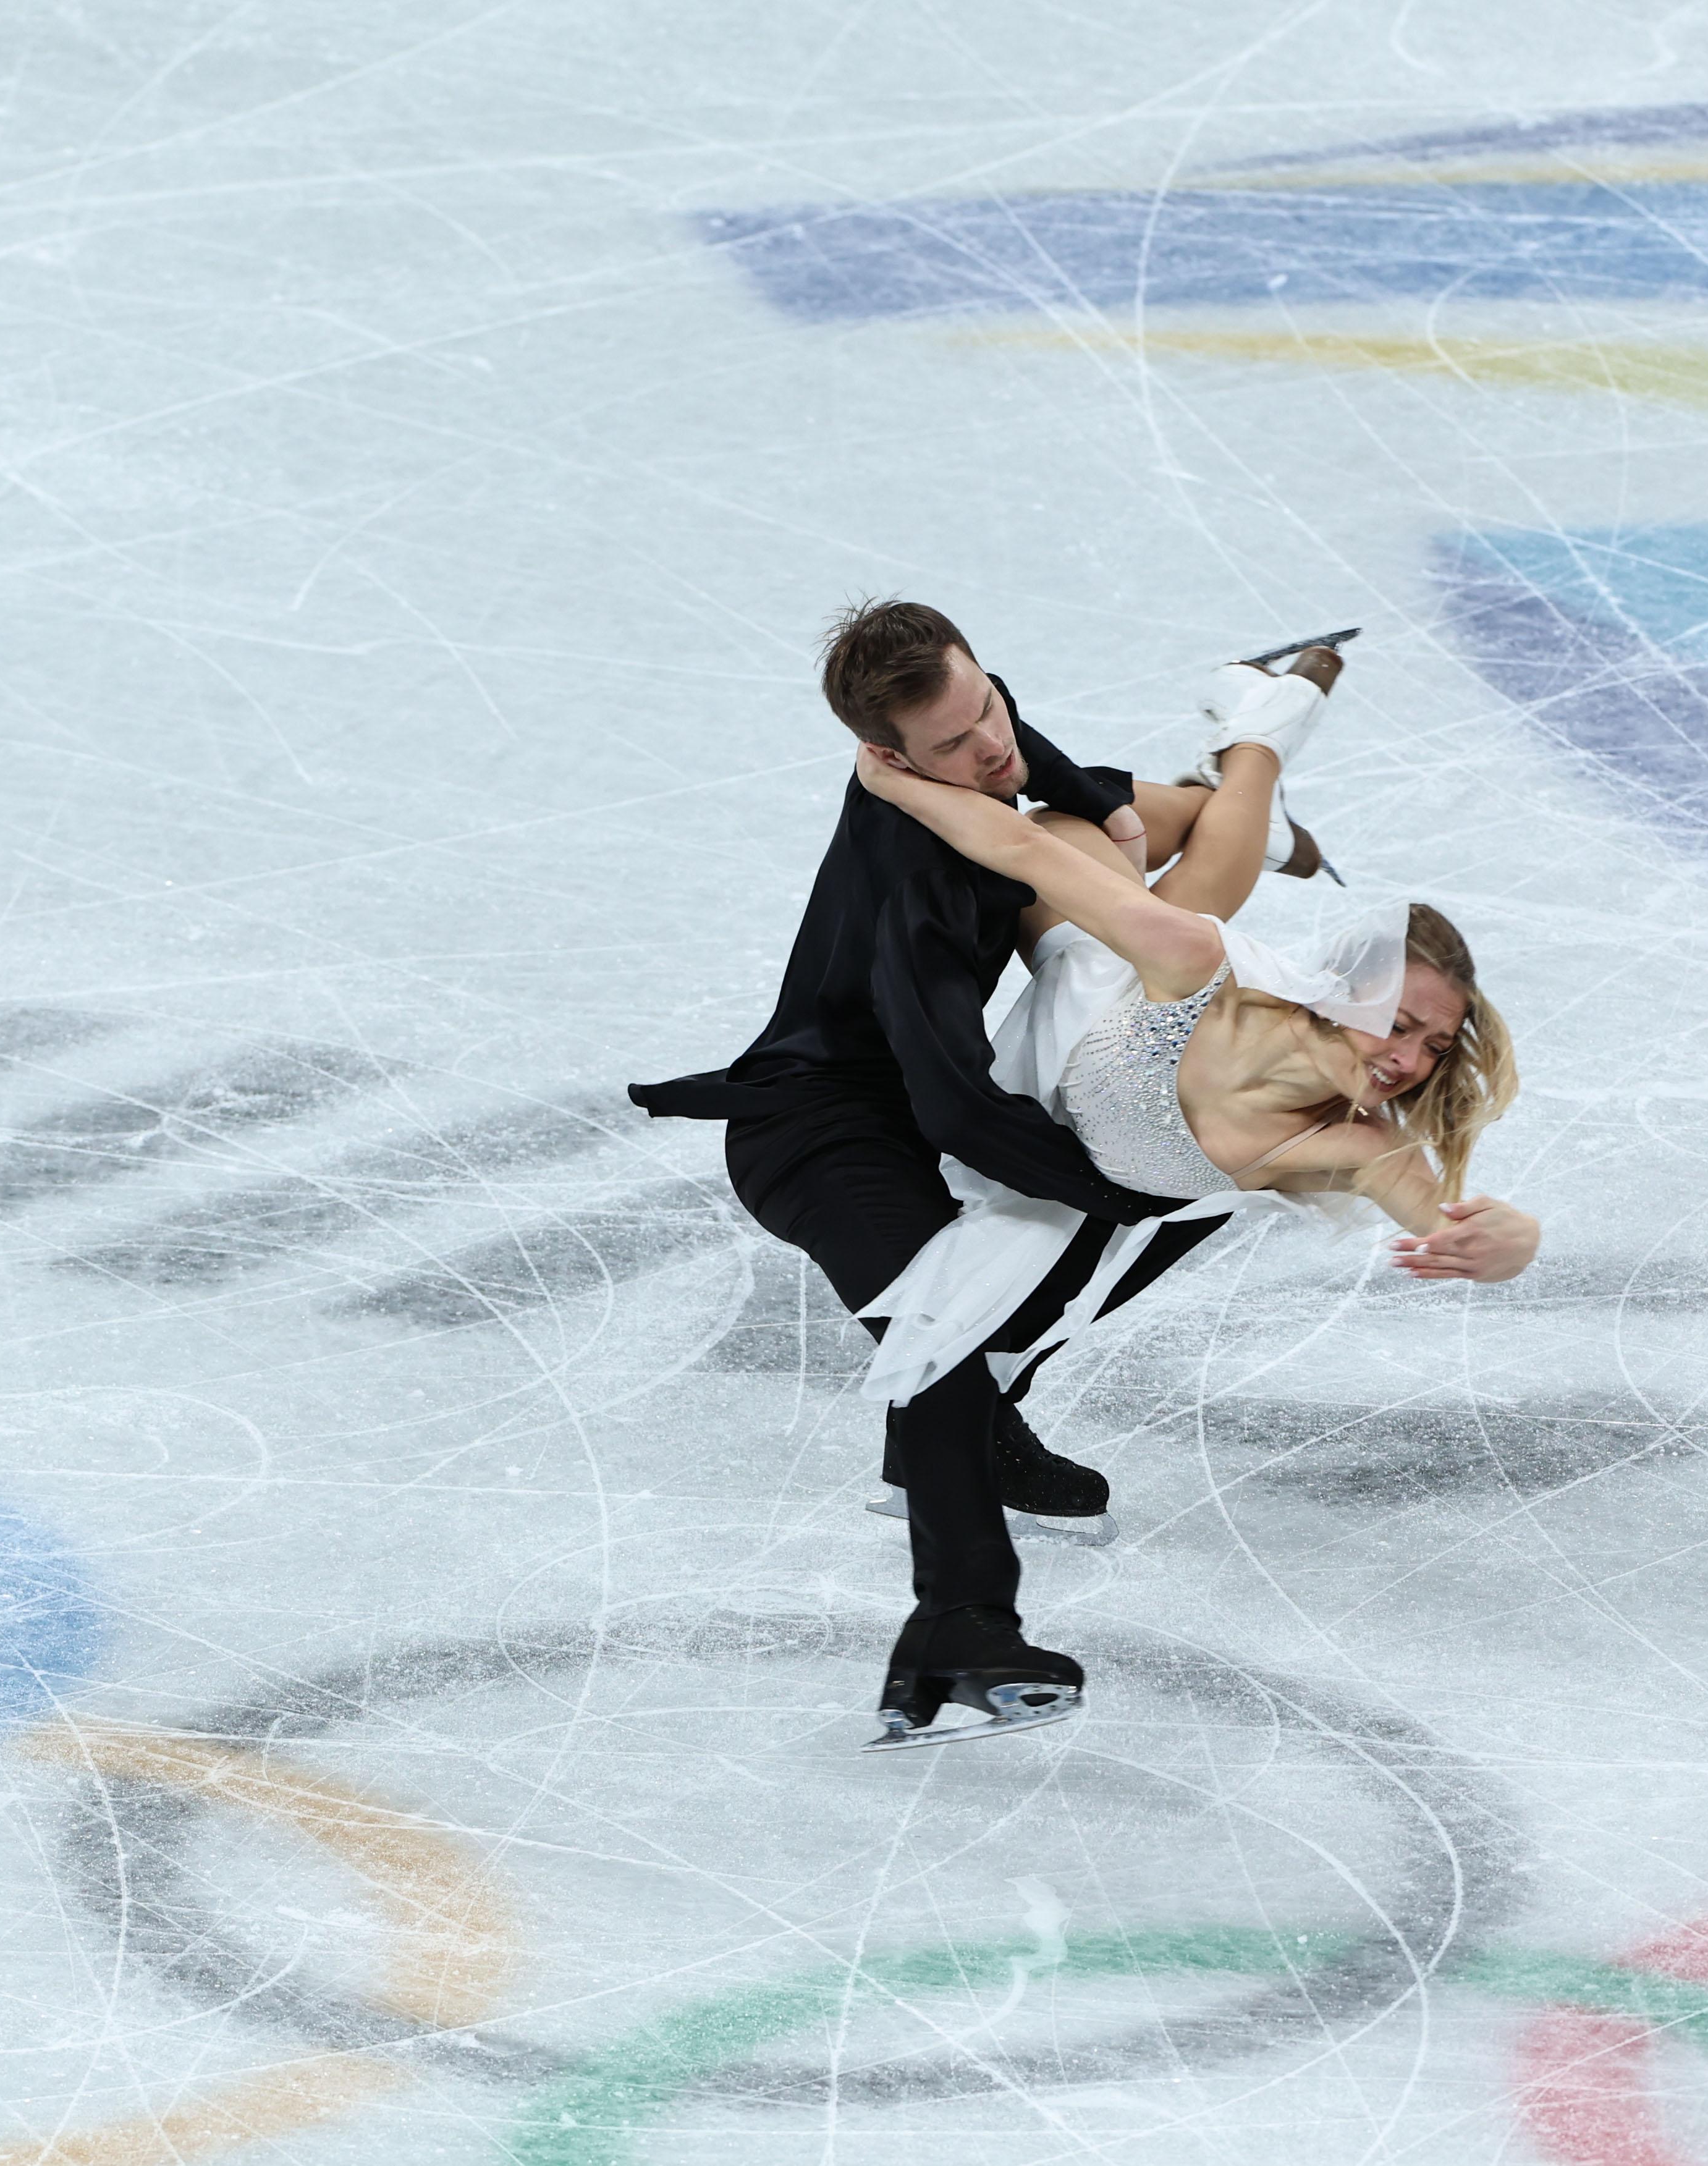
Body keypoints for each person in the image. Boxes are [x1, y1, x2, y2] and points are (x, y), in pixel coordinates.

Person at [628, 603, 1526, 1757]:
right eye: (951, 750)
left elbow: (1014, 768)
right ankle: (961, 1623)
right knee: (970, 1297)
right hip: (822, 1121)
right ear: (895, 761)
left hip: (1029, 1030)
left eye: (987, 711)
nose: (987, 751)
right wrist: (1114, 1189)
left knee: (1177, 955)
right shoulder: (918, 878)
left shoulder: (974, 742)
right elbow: (955, 1096)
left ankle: (1244, 755)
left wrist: (1093, 799)